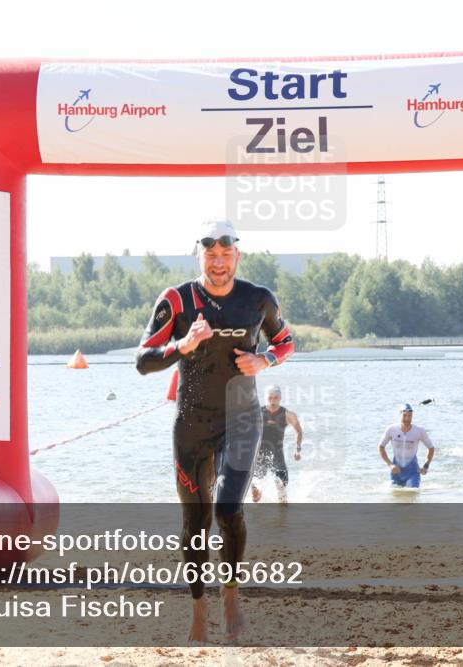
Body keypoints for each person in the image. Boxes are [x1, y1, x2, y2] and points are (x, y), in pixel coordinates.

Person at [135, 219, 294, 642]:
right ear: (199, 256)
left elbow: (285, 341)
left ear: (237, 256)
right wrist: (182, 345)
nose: (219, 263)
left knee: (227, 510)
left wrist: (265, 360)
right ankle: (198, 608)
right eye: (211, 255)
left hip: (242, 420)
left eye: (226, 254)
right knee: (196, 521)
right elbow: (143, 360)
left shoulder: (258, 299)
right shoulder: (177, 300)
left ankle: (230, 596)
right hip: (192, 425)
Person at [251, 385, 303, 504]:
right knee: (255, 494)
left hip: (277, 454)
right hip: (260, 455)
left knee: (282, 490)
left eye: (276, 398)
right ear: (266, 398)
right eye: (270, 398)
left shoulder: (288, 414)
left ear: (280, 398)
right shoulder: (258, 413)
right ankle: (258, 508)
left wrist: (298, 449)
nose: (273, 401)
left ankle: (283, 514)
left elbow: (299, 431)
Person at [378, 403, 434, 488]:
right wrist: (390, 464)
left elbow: (431, 448)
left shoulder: (419, 431)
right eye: (404, 415)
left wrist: (426, 466)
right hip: (396, 472)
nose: (407, 418)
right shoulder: (391, 429)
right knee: (394, 494)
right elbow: (381, 447)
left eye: (409, 416)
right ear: (400, 415)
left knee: (413, 492)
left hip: (412, 472)